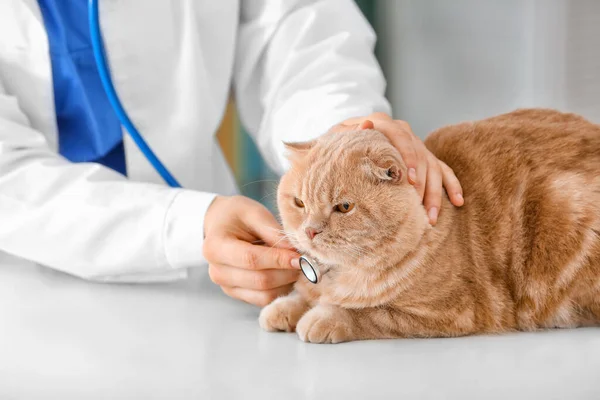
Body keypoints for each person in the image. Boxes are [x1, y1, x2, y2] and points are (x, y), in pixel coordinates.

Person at [0, 0, 463, 306]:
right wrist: (187, 224)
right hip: (23, 287)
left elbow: (298, 24)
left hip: (211, 284)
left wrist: (339, 139)